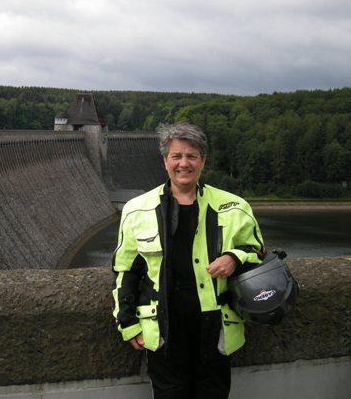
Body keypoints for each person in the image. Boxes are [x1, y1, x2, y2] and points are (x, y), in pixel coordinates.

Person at [112, 122, 265, 399]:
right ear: (165, 161)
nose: (184, 163)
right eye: (176, 156)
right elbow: (125, 271)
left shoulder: (235, 207)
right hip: (163, 331)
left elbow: (259, 254)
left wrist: (235, 257)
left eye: (192, 156)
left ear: (203, 161)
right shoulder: (137, 210)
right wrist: (128, 324)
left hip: (216, 329)